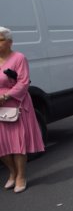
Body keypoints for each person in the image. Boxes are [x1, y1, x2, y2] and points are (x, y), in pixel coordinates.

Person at [0, 26, 44, 193]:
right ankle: (12, 173)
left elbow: (23, 83)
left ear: (10, 42)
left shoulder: (19, 58)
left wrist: (5, 97)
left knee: (18, 143)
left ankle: (21, 176)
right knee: (1, 144)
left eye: (0, 39)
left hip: (15, 105)